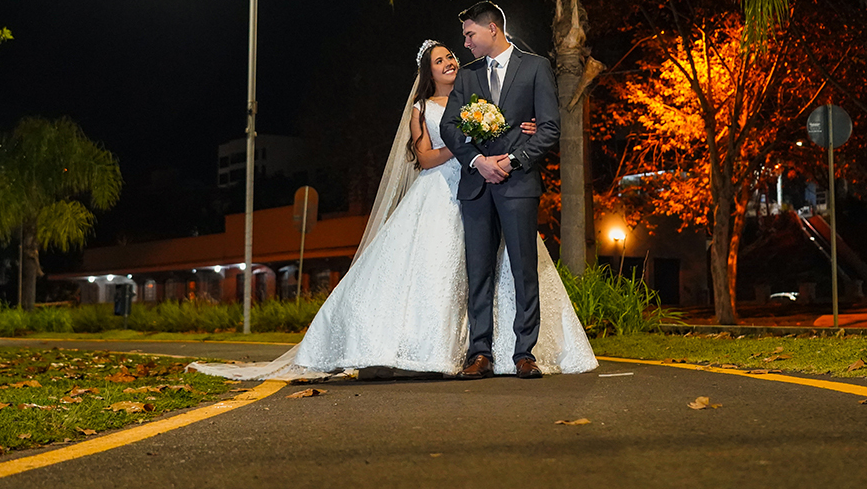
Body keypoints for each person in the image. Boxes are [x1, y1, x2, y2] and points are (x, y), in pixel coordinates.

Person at [188, 40, 596, 380]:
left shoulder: (478, 93)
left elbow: (513, 117)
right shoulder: (423, 106)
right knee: (439, 273)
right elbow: (422, 157)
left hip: (485, 188)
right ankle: (424, 349)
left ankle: (500, 351)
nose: (451, 62)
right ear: (428, 72)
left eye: (452, 55)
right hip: (444, 192)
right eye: (440, 61)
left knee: (499, 270)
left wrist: (523, 126)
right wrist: (465, 148)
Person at [441, 1, 560, 380]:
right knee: (479, 271)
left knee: (524, 269)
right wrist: (478, 161)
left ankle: (524, 353)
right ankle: (480, 354)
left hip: (519, 184)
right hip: (477, 186)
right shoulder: (467, 76)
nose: (466, 43)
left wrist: (512, 161)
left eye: (470, 34)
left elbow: (550, 128)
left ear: (492, 29)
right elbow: (449, 126)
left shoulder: (536, 67)